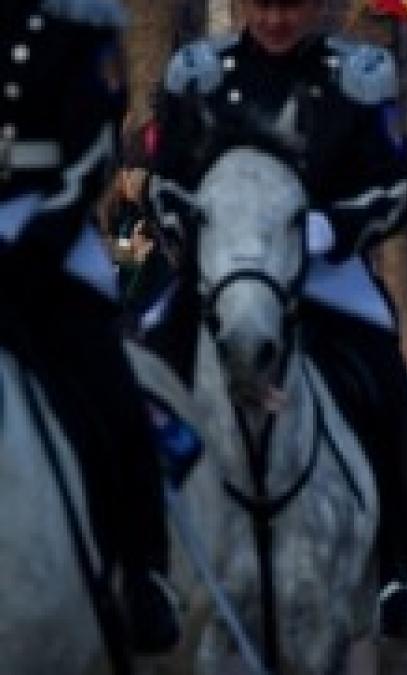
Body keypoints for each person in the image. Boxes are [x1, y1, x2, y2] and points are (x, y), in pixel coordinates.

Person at [148, 0, 407, 639]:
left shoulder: (357, 74)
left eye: (291, 4)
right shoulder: (198, 73)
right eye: (264, 3)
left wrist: (334, 226)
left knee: (393, 400)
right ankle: (146, 567)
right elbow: (165, 181)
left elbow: (398, 186)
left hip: (323, 269)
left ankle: (402, 576)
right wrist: (201, 243)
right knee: (145, 379)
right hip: (222, 271)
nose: (277, 18)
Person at [0, 0, 179, 653]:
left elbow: (93, 150)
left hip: (51, 232)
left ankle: (143, 573)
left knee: (111, 391)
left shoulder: (81, 23)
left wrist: (32, 242)